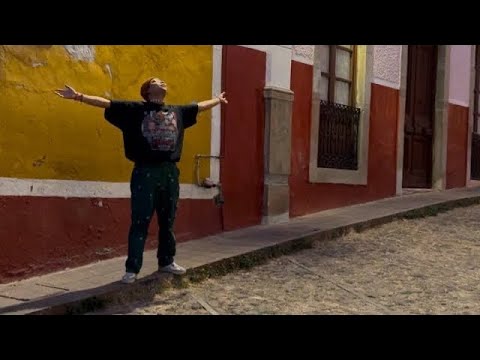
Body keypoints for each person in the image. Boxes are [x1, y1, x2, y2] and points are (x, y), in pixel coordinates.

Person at [55, 78, 228, 284]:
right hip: (145, 172)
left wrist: (217, 100)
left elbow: (199, 107)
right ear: (147, 90)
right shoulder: (134, 110)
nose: (162, 81)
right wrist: (78, 96)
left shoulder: (177, 111)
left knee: (168, 221)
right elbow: (106, 103)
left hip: (170, 172)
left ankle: (166, 261)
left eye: (163, 80)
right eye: (156, 81)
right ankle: (132, 269)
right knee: (140, 222)